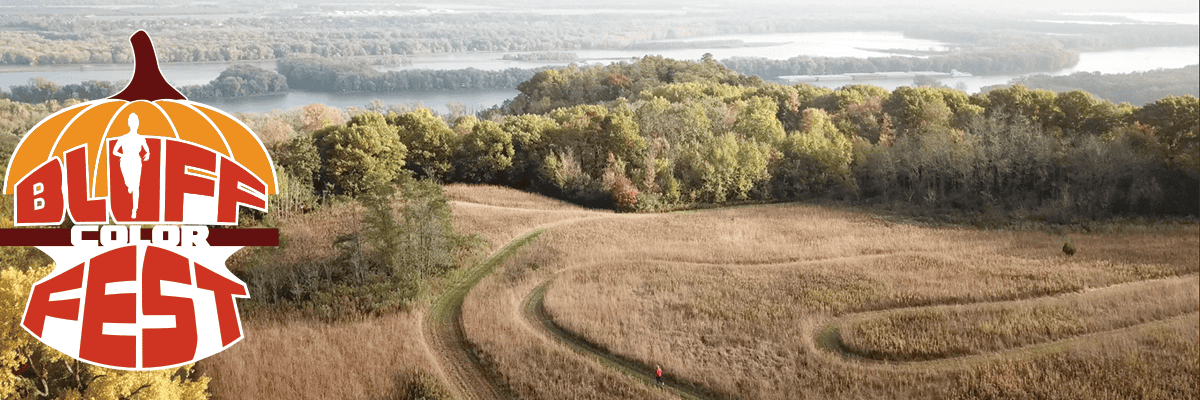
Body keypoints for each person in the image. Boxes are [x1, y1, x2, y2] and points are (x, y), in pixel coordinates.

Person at [112, 113, 150, 218]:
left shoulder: (141, 138)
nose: (134, 124)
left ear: (138, 124)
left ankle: (134, 210)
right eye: (132, 122)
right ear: (129, 124)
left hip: (136, 161)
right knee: (128, 182)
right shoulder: (123, 138)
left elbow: (147, 150)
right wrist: (122, 155)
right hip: (125, 162)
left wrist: (147, 154)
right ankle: (129, 185)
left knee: (136, 186)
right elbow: (114, 151)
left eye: (136, 122)